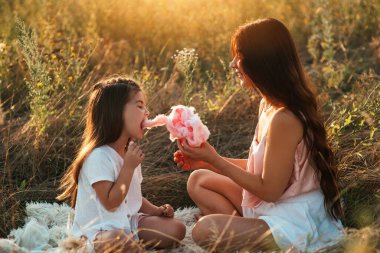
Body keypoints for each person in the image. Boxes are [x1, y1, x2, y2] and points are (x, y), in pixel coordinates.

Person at [174, 18, 345, 252]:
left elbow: (270, 189)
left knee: (204, 230)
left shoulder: (285, 119)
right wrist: (207, 161)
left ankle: (248, 236)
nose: (233, 64)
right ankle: (246, 233)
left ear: (263, 61)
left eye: (240, 57)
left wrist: (216, 160)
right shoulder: (267, 104)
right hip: (268, 205)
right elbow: (264, 171)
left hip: (291, 218)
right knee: (198, 179)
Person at [57, 76, 186, 252]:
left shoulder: (128, 152)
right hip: (99, 232)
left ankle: (133, 245)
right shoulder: (98, 156)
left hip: (128, 223)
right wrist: (128, 167)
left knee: (177, 228)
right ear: (116, 112)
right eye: (140, 106)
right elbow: (111, 202)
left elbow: (133, 198)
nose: (146, 112)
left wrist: (156, 211)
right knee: (119, 241)